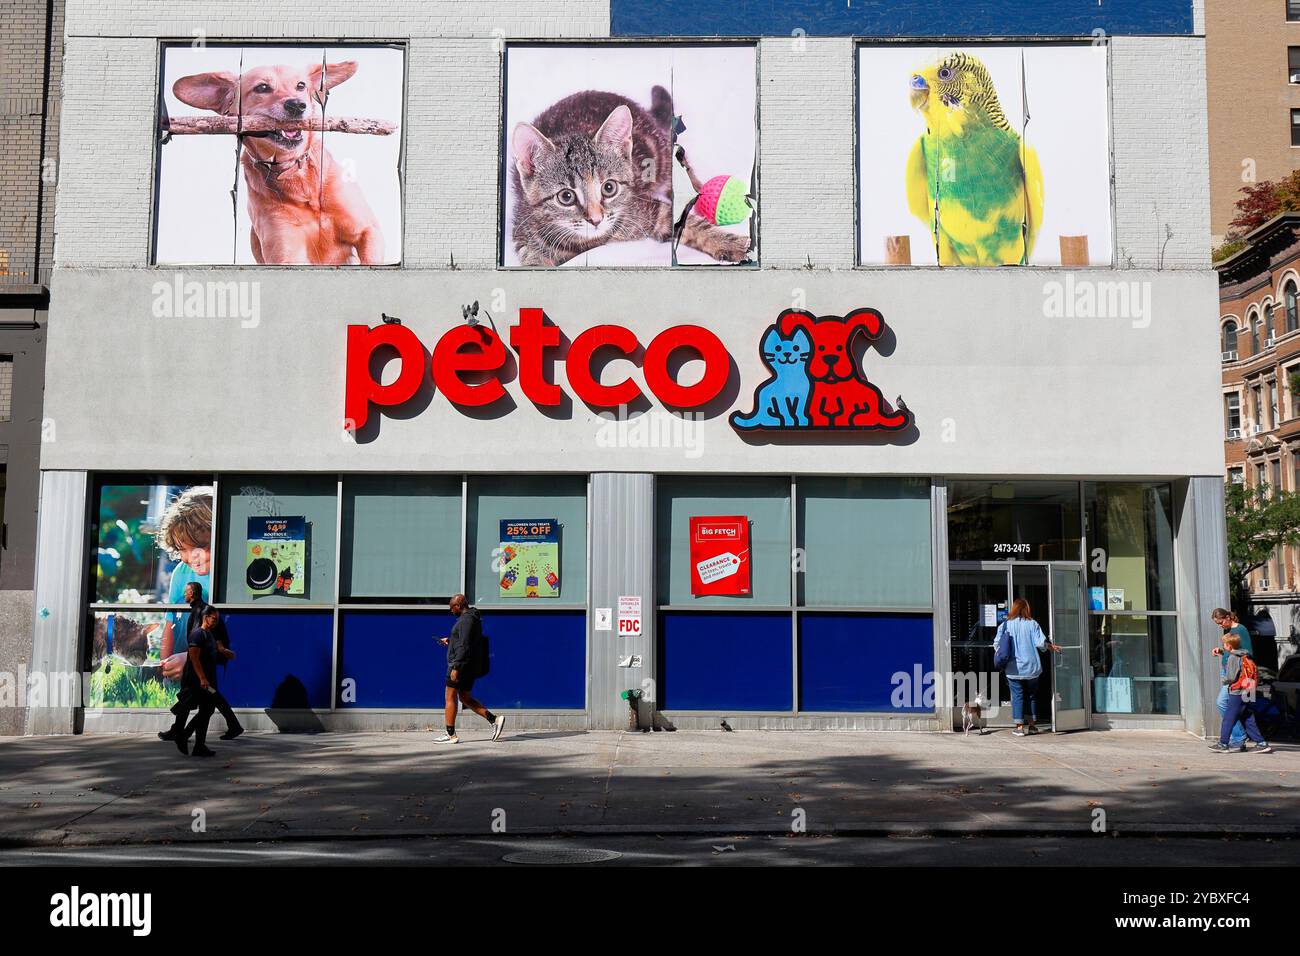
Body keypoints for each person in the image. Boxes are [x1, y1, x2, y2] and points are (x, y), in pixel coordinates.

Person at [159, 584, 243, 741]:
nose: (184, 595)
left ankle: (179, 731)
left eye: (186, 592)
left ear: (192, 593)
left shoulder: (199, 611)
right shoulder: (203, 609)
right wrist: (222, 651)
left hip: (199, 666)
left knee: (189, 695)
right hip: (205, 664)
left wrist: (193, 664)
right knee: (212, 696)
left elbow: (198, 640)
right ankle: (232, 726)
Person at [156, 486, 214, 678]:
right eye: (182, 549)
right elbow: (169, 624)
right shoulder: (181, 574)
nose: (191, 557)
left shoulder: (228, 577)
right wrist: (163, 669)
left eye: (199, 547)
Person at [434, 594, 505, 744]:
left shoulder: (466, 620)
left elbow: (465, 645)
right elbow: (466, 641)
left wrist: (456, 667)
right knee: (465, 698)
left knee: (450, 697)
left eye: (451, 608)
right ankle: (494, 719)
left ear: (458, 606)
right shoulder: (472, 618)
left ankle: (450, 734)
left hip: (460, 665)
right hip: (468, 665)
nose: (451, 611)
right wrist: (451, 640)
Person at [164, 608, 228, 757]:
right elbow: (194, 659)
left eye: (217, 619)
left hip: (208, 680)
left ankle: (198, 745)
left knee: (207, 710)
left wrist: (225, 653)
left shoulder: (209, 635)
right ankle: (184, 736)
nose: (216, 621)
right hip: (200, 682)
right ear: (205, 617)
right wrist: (202, 678)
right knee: (207, 710)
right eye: (213, 618)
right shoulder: (197, 634)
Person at [998, 598, 1061, 737]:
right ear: (1026, 609)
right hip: (1032, 667)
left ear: (1013, 609)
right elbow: (1040, 643)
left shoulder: (1005, 625)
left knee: (1018, 696)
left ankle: (1019, 727)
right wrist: (1051, 647)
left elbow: (997, 644)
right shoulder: (1033, 624)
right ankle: (1032, 726)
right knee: (1032, 696)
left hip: (1014, 668)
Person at [1209, 632, 1273, 754]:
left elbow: (1231, 677)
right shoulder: (1245, 655)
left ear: (1228, 645)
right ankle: (1262, 743)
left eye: (1224, 644)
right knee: (1247, 717)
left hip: (1238, 691)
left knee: (1228, 717)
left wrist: (1224, 680)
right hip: (1249, 689)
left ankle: (1223, 743)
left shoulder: (1233, 657)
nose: (1223, 646)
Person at [1210, 608, 1253, 751]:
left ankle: (1239, 737)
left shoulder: (1241, 630)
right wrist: (1222, 651)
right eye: (1218, 624)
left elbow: (1247, 653)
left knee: (1222, 703)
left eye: (1221, 622)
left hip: (1237, 675)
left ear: (1228, 617)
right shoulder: (1228, 631)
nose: (1220, 626)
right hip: (1229, 671)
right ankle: (1248, 739)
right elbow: (1233, 650)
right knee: (1241, 709)